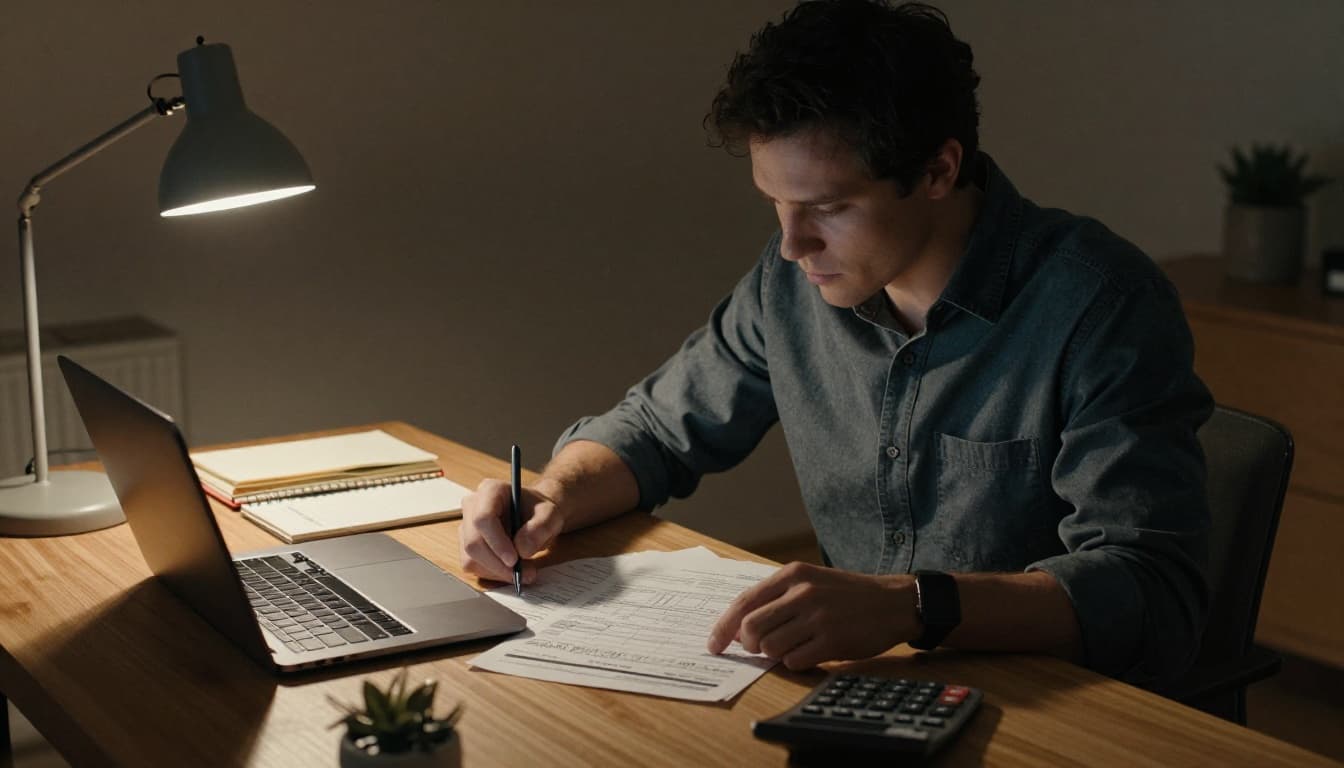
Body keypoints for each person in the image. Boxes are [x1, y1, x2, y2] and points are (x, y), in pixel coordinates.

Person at [460, 0, 1212, 683]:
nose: (791, 244)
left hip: (1061, 706)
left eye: (827, 206)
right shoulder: (796, 284)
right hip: (870, 688)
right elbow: (657, 431)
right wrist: (552, 495)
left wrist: (912, 606)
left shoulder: (1099, 304)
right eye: (776, 204)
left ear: (938, 170)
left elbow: (1147, 588)